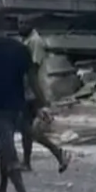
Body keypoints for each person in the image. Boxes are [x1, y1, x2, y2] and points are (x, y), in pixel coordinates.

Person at [0, 27, 41, 192]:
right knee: (4, 148)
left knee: (8, 152)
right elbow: (32, 80)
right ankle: (2, 190)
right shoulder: (20, 48)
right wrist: (41, 103)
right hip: (15, 106)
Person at [17, 20, 70, 173]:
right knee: (25, 128)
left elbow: (32, 69)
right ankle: (27, 162)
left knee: (26, 128)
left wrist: (41, 100)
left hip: (30, 91)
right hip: (27, 89)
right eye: (19, 23)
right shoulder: (27, 40)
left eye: (23, 23)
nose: (20, 26)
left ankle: (57, 151)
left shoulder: (35, 42)